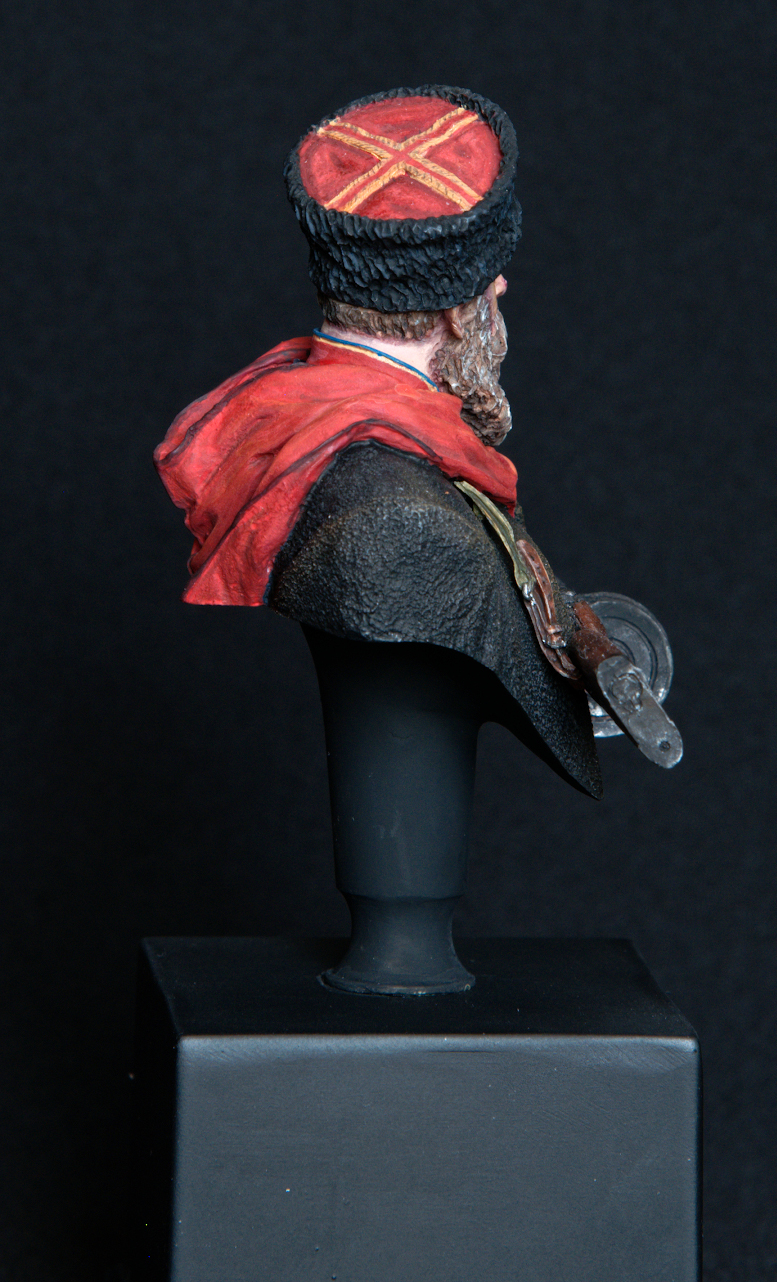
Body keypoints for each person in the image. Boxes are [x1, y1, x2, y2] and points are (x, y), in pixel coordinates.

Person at [155, 87, 679, 993]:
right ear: (453, 309)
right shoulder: (395, 524)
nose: (502, 287)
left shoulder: (308, 427)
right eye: (490, 276)